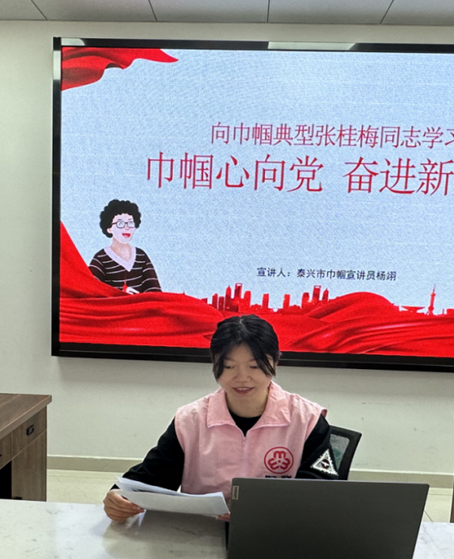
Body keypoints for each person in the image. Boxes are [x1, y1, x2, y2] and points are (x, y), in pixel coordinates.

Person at [103, 315, 338, 522]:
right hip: (202, 531)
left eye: (255, 366)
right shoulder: (191, 419)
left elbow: (320, 492)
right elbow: (154, 475)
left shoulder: (306, 419)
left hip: (274, 530)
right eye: (228, 366)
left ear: (275, 361)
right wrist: (120, 496)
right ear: (214, 363)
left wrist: (262, 514)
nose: (242, 377)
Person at [88, 199, 161, 294]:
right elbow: (91, 290)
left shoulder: (141, 256)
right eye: (120, 223)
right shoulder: (100, 258)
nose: (127, 227)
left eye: (130, 223)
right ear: (109, 228)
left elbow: (155, 291)